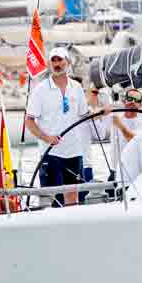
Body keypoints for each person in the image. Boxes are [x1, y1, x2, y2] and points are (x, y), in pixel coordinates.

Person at [25, 46, 91, 207]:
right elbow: (29, 121)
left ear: (67, 62)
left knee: (72, 196)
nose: (57, 64)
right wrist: (47, 138)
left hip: (74, 152)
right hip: (50, 152)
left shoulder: (76, 87)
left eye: (60, 60)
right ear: (49, 64)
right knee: (50, 197)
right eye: (53, 60)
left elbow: (85, 114)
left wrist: (102, 112)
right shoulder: (40, 90)